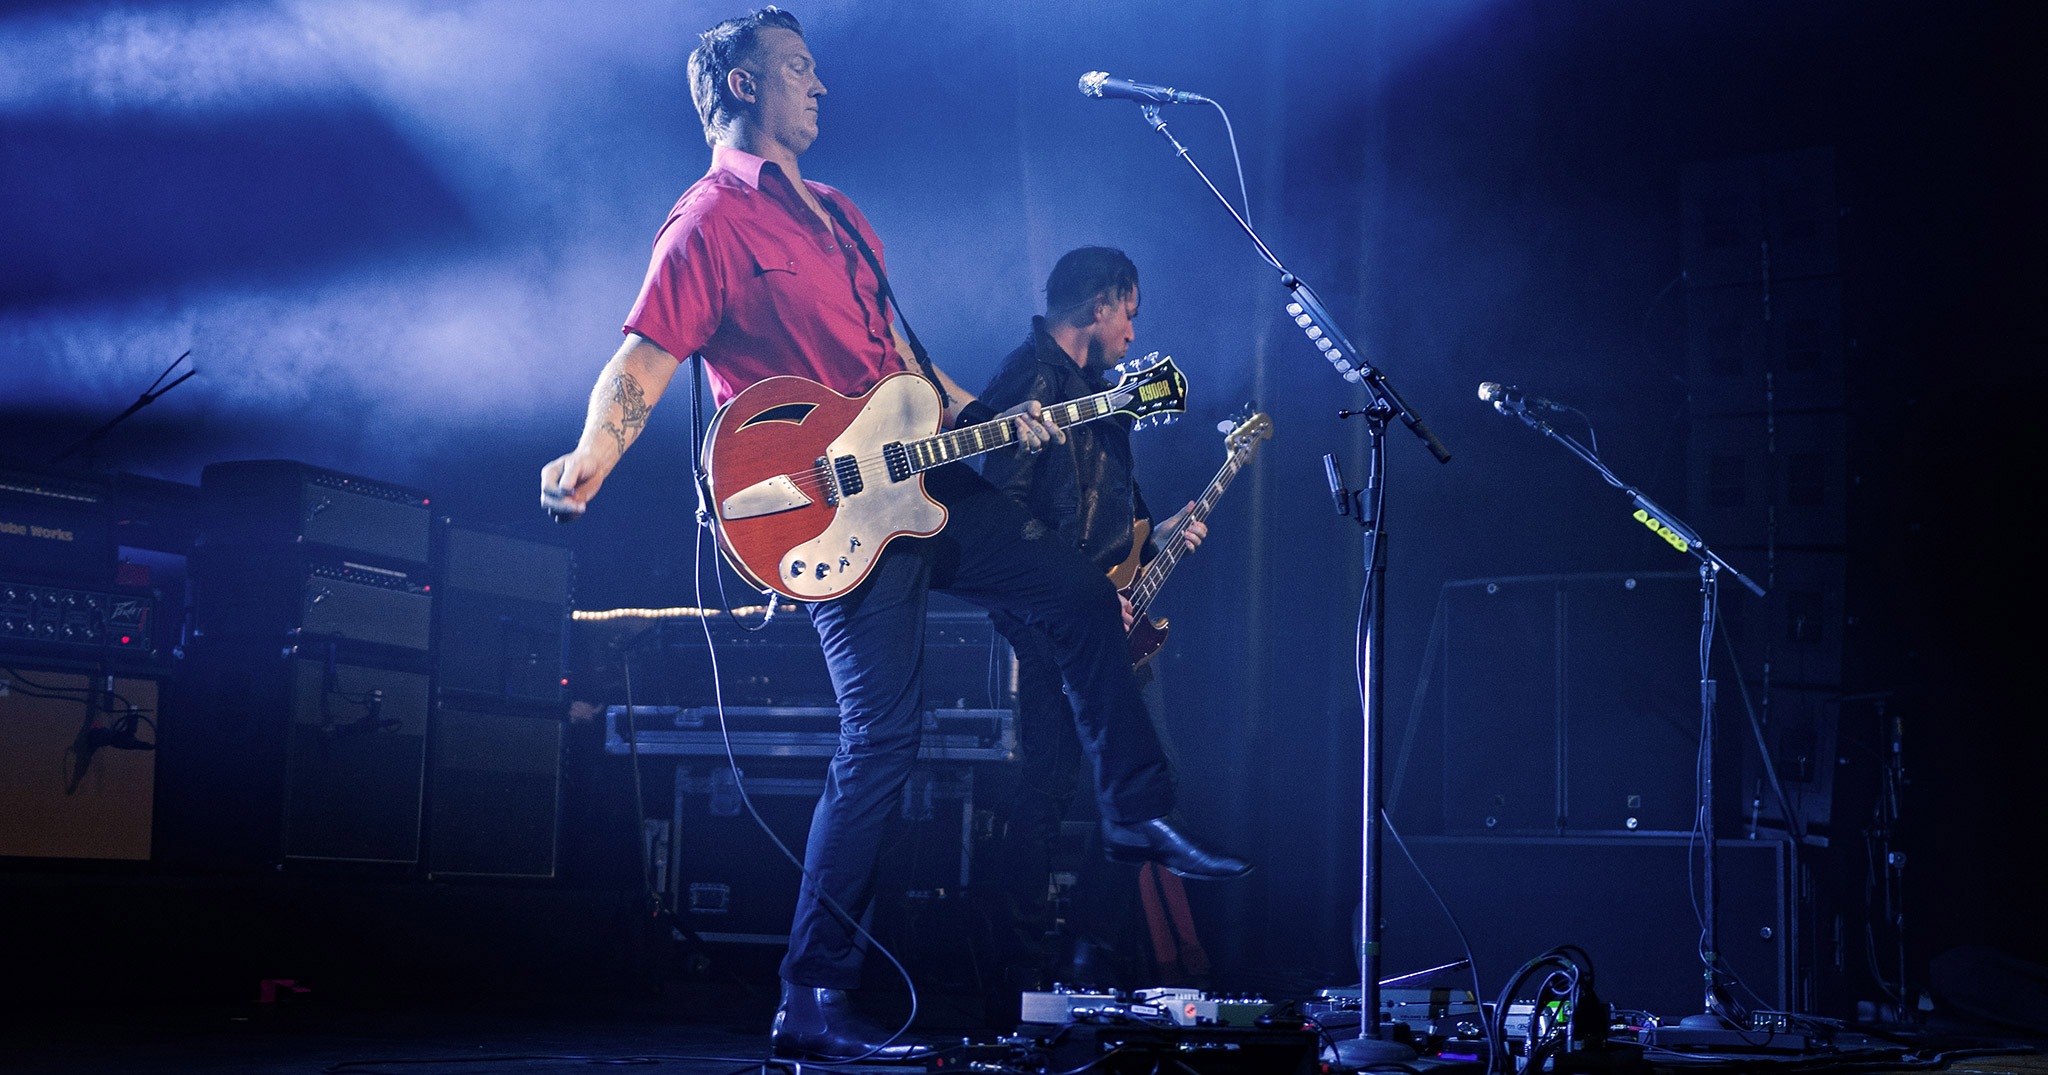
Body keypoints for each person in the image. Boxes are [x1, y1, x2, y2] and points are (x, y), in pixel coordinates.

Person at [537, 9, 1247, 1063]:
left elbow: (918, 384)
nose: (817, 86)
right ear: (740, 86)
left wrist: (1054, 413)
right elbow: (640, 362)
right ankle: (810, 998)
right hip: (827, 513)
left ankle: (1134, 810)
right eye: (796, 68)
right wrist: (591, 456)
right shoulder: (707, 225)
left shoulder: (841, 215)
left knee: (1076, 585)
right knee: (880, 741)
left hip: (919, 482)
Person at [978, 248, 1228, 994]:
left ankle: (1088, 950)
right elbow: (1000, 520)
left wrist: (1163, 527)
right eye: (1131, 311)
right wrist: (1081, 591)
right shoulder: (1028, 381)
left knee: (1153, 783)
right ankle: (1017, 967)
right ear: (1102, 304)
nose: (1132, 330)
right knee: (1047, 791)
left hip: (1109, 616)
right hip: (1055, 618)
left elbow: (1116, 508)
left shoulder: (1105, 395)